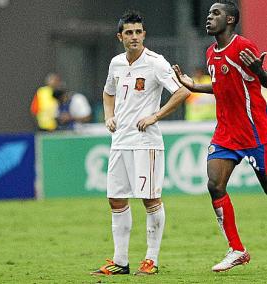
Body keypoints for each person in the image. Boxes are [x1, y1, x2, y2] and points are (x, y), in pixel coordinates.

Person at [92, 10, 190, 276]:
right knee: (115, 199)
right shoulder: (116, 63)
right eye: (129, 33)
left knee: (149, 199)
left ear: (144, 34)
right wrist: (109, 116)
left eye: (138, 32)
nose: (134, 37)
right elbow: (107, 92)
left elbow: (182, 91)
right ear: (120, 36)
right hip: (120, 141)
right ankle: (120, 261)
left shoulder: (156, 63)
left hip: (145, 142)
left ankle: (151, 260)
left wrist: (155, 115)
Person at [173, 0, 267, 273]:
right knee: (215, 184)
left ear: (230, 20)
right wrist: (194, 87)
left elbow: (262, 81)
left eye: (216, 13)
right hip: (226, 133)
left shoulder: (244, 47)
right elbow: (222, 86)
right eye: (209, 12)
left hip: (255, 131)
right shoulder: (211, 52)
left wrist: (260, 72)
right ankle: (237, 249)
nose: (209, 17)